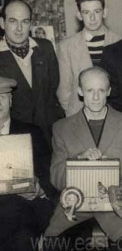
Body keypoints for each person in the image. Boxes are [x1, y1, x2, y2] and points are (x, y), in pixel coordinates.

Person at [45, 66, 122, 251]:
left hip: (119, 208)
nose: (95, 97)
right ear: (79, 92)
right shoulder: (62, 128)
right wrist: (79, 161)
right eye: (89, 90)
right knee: (53, 245)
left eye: (101, 90)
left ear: (108, 91)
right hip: (76, 208)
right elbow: (56, 176)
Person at [0, 76, 58, 251]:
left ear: (10, 100)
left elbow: (48, 177)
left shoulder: (32, 133)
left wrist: (38, 189)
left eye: (2, 97)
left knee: (21, 232)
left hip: (24, 208)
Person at [0, 0, 64, 145]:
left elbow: (53, 90)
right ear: (2, 23)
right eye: (13, 21)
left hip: (49, 136)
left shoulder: (46, 48)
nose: (19, 28)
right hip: (14, 139)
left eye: (25, 22)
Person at [57, 0, 122, 117]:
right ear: (79, 15)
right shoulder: (66, 46)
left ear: (105, 13)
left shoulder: (121, 42)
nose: (92, 18)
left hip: (115, 116)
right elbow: (64, 91)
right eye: (86, 12)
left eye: (96, 11)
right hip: (78, 115)